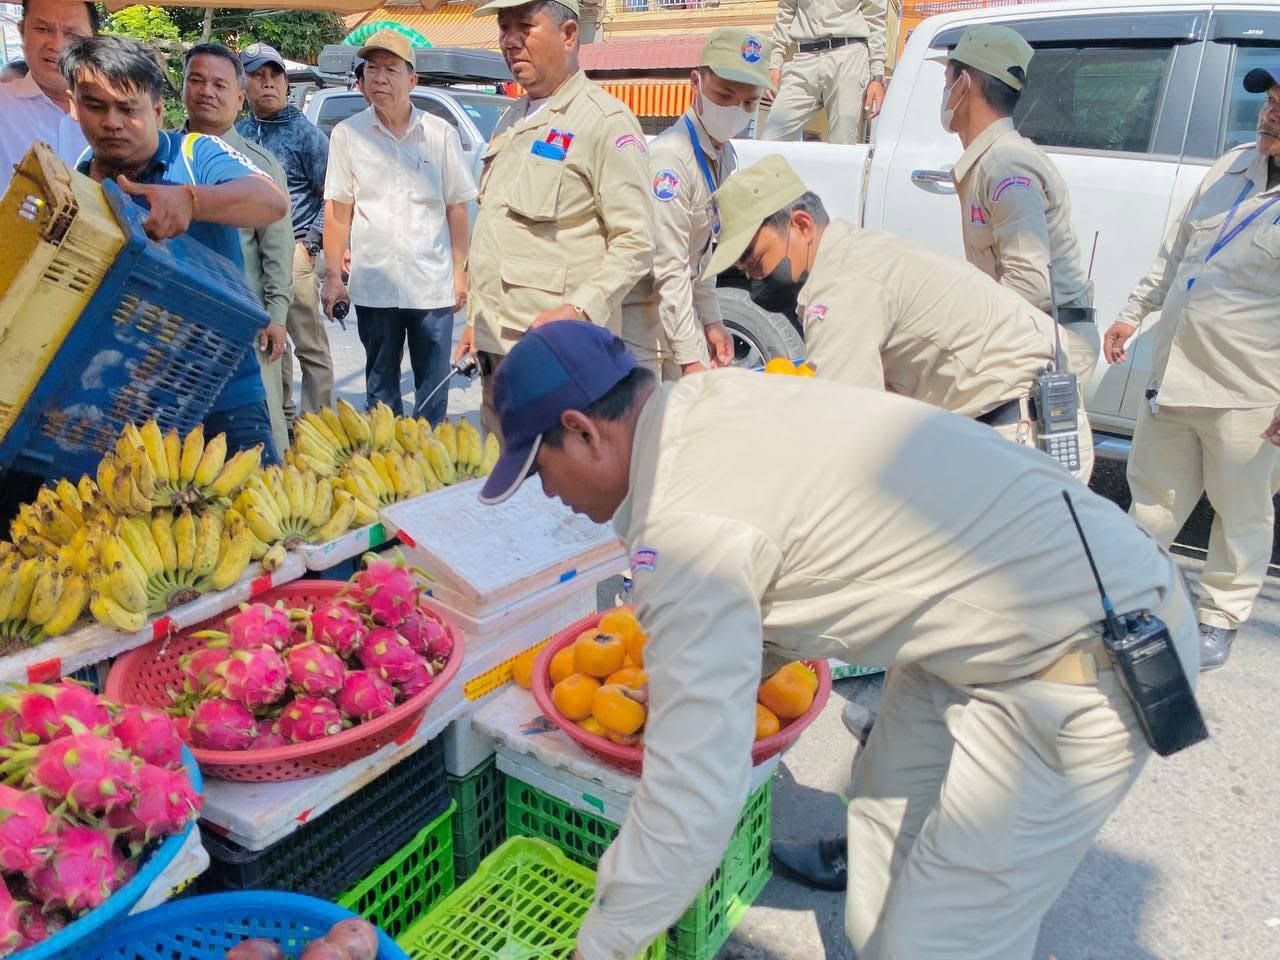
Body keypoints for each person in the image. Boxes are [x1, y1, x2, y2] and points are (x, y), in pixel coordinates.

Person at [478, 321, 1199, 960]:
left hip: (1090, 652)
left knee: (938, 943)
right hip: (991, 624)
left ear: (583, 431)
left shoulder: (684, 528)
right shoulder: (706, 404)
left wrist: (601, 944)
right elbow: (782, 570)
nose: (548, 495)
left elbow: (692, 795)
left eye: (538, 470)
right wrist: (671, 688)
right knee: (878, 840)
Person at [708, 156, 1073, 463]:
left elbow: (843, 426)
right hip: (1008, 415)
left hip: (1022, 431)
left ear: (802, 225)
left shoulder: (842, 285)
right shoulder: (851, 254)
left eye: (756, 260)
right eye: (744, 270)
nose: (753, 276)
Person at [1102, 67, 1280, 672]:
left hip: (1250, 390)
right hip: (1176, 373)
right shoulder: (1230, 167)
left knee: (1241, 514)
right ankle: (1130, 600)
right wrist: (1134, 311)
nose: (1270, 114)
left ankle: (1220, 616)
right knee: (1152, 501)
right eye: (1270, 101)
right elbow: (1176, 253)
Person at [65, 35, 289, 461]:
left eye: (128, 109)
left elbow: (270, 201)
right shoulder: (74, 180)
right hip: (116, 403)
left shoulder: (196, 152)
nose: (112, 122)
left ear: (156, 110)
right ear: (74, 105)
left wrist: (192, 201)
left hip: (224, 395)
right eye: (95, 106)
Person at [457, 0, 654, 435]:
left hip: (560, 358)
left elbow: (636, 241)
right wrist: (475, 322)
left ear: (568, 35)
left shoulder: (605, 122)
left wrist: (580, 309)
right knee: (501, 466)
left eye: (525, 26)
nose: (510, 41)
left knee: (556, 473)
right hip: (498, 350)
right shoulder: (512, 116)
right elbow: (498, 229)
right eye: (504, 28)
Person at [937, 25, 1099, 479]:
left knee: (1028, 489)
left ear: (964, 83)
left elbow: (1027, 281)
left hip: (1045, 344)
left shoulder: (1006, 164)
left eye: (947, 80)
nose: (944, 93)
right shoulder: (990, 160)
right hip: (1032, 335)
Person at [321, 30, 476, 423]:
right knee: (381, 392)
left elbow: (457, 208)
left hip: (431, 286)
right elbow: (338, 210)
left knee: (433, 391)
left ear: (413, 80)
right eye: (371, 69)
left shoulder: (439, 134)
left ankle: (431, 458)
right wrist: (333, 276)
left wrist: (460, 273)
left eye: (391, 69)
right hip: (374, 286)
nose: (379, 78)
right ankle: (385, 458)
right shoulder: (347, 135)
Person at [620, 28, 768, 379]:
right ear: (695, 83)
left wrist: (713, 321)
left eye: (748, 103)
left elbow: (703, 254)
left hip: (680, 313)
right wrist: (690, 358)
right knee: (653, 412)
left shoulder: (724, 155)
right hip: (643, 321)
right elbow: (669, 266)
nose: (734, 111)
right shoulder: (671, 159)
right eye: (724, 95)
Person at [183, 43, 294, 456]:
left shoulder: (257, 165)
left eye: (219, 84)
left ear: (239, 97)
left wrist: (276, 316)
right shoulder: (163, 154)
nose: (206, 92)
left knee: (257, 433)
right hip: (179, 321)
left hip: (246, 323)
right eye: (196, 81)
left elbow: (277, 249)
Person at [238, 41, 337, 422]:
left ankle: (318, 426)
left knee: (309, 346)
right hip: (252, 255)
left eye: (274, 75)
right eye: (257, 76)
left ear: (285, 83)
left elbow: (333, 196)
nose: (268, 83)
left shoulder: (305, 135)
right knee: (269, 342)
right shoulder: (240, 132)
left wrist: (310, 246)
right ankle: (281, 419)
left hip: (294, 251)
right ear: (243, 85)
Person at [761, 0, 886, 144]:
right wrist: (775, 63)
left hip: (848, 54)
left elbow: (875, 17)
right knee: (772, 137)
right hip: (804, 57)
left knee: (842, 140)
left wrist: (877, 76)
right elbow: (786, 11)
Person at [0, 0, 96, 180]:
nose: (57, 45)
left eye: (72, 34)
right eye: (43, 29)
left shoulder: (121, 114)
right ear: (22, 32)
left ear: (94, 42)